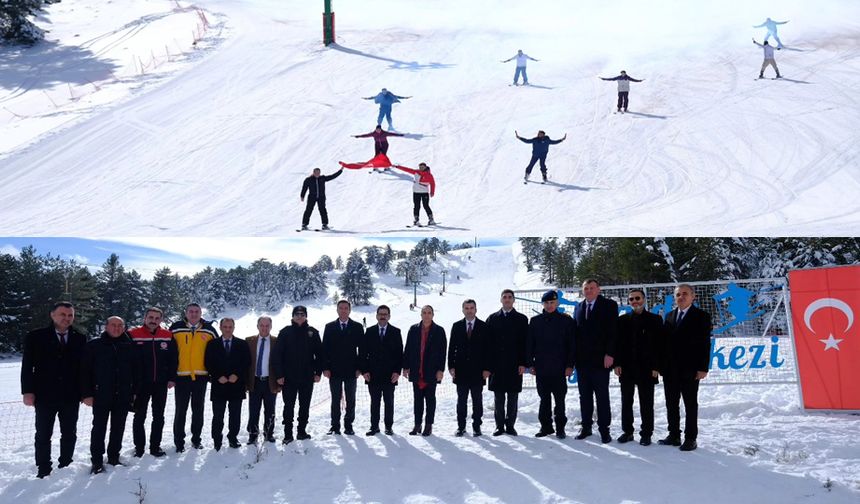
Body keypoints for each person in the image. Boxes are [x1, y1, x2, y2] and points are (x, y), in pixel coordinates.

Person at [20, 302, 87, 478]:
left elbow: (83, 369)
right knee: (43, 433)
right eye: (63, 314)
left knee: (69, 432)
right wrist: (27, 391)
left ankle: (66, 463)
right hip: (44, 395)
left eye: (70, 315)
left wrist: (84, 392)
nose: (67, 318)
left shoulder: (80, 338)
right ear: (52, 315)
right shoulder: (36, 337)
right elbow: (27, 366)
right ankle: (43, 467)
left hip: (71, 395)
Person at [81, 316, 140, 474]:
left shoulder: (129, 345)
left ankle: (114, 456)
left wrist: (133, 392)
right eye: (113, 325)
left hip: (123, 394)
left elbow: (136, 371)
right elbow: (85, 371)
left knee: (118, 427)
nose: (117, 328)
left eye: (120, 325)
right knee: (99, 428)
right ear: (106, 327)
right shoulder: (94, 345)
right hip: (101, 394)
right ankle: (97, 461)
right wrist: (86, 394)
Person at [659, 284, 712, 452]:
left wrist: (703, 368)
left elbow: (705, 344)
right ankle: (674, 434)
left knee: (690, 404)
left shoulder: (701, 316)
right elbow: (665, 344)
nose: (681, 297)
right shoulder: (669, 316)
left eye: (685, 294)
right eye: (678, 294)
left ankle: (690, 438)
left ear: (693, 296)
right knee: (671, 403)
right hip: (670, 369)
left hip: (690, 369)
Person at [615, 289, 663, 446]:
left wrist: (656, 366)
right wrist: (617, 364)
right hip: (627, 368)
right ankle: (627, 432)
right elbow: (618, 345)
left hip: (647, 368)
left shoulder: (655, 319)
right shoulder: (622, 320)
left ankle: (646, 433)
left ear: (644, 299)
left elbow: (659, 346)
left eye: (637, 298)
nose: (634, 301)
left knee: (646, 402)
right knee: (626, 401)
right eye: (631, 299)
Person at [573, 279, 618, 444]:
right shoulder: (578, 307)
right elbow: (576, 334)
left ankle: (604, 429)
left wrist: (610, 353)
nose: (589, 291)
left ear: (598, 289)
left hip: (601, 360)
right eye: (586, 288)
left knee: (602, 396)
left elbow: (613, 331)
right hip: (583, 362)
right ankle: (586, 427)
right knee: (584, 396)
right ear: (582, 290)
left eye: (592, 288)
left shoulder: (609, 305)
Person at [170, 303, 219, 452]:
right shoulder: (176, 328)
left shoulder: (209, 330)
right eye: (191, 311)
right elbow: (168, 352)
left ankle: (196, 440)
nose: (193, 314)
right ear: (186, 313)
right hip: (181, 377)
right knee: (180, 411)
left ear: (200, 313)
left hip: (201, 376)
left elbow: (216, 351)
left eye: (196, 311)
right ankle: (179, 442)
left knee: (198, 410)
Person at [129, 307, 177, 458]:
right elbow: (127, 360)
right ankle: (139, 448)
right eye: (151, 317)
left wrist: (171, 378)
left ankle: (155, 447)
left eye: (157, 318)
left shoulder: (167, 335)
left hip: (160, 384)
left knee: (159, 417)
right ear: (145, 318)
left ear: (161, 320)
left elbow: (173, 359)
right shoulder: (133, 335)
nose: (153, 321)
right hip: (140, 384)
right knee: (139, 417)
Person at [527, 290, 575, 439]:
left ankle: (560, 428)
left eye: (552, 302)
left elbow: (571, 345)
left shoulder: (566, 321)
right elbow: (530, 345)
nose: (549, 305)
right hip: (541, 368)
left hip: (559, 368)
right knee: (544, 399)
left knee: (560, 400)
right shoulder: (535, 321)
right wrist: (530, 364)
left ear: (557, 303)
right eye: (546, 303)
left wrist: (570, 365)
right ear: (543, 304)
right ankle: (546, 427)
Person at [275, 306, 323, 442]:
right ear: (292, 316)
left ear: (306, 316)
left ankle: (301, 431)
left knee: (305, 406)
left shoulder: (313, 333)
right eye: (297, 314)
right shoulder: (285, 332)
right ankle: (288, 434)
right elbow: (277, 355)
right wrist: (279, 375)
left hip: (307, 377)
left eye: (302, 314)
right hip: (288, 378)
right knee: (288, 406)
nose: (300, 316)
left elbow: (320, 355)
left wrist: (318, 372)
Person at [486, 289, 529, 436]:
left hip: (514, 365)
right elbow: (487, 344)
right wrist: (488, 366)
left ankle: (510, 425)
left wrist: (523, 363)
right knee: (498, 397)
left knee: (512, 397)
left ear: (514, 300)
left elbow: (525, 344)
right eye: (505, 297)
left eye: (510, 297)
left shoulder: (522, 319)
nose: (507, 299)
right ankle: (499, 426)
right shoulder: (492, 319)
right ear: (501, 300)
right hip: (497, 365)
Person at [205, 317, 250, 450]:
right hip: (219, 385)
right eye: (225, 327)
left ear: (234, 328)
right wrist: (217, 376)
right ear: (220, 328)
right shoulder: (212, 344)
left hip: (236, 385)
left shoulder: (242, 344)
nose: (228, 329)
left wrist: (237, 375)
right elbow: (208, 363)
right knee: (218, 415)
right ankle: (217, 440)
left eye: (230, 327)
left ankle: (233, 438)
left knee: (235, 415)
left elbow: (246, 362)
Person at [448, 299, 491, 437]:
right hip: (460, 371)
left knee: (477, 400)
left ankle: (477, 426)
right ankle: (461, 426)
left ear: (476, 309)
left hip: (478, 371)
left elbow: (488, 350)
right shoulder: (457, 326)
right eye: (466, 308)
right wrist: (451, 366)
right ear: (463, 310)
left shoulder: (484, 326)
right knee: (461, 400)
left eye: (472, 308)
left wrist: (487, 368)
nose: (469, 310)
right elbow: (451, 348)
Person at [403, 305, 447, 436]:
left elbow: (442, 352)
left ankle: (428, 425)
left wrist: (440, 370)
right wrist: (405, 366)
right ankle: (417, 424)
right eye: (424, 312)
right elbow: (408, 348)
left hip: (431, 371)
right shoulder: (413, 329)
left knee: (430, 399)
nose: (426, 315)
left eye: (429, 313)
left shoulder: (439, 331)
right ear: (420, 314)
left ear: (433, 315)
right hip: (417, 369)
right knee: (417, 400)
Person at [322, 300, 364, 435]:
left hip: (352, 370)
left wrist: (360, 368)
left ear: (350, 310)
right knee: (335, 399)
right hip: (334, 370)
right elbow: (325, 349)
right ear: (337, 310)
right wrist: (326, 368)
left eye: (346, 308)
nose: (344, 310)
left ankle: (348, 425)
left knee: (351, 399)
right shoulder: (329, 327)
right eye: (341, 308)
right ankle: (335, 426)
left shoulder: (357, 327)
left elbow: (362, 350)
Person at [360, 305, 403, 436]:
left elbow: (399, 354)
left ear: (389, 316)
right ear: (376, 316)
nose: (382, 316)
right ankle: (374, 426)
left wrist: (397, 372)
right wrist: (364, 371)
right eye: (380, 314)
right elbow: (363, 353)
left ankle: (388, 427)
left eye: (385, 314)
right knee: (374, 402)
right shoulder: (370, 331)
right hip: (372, 374)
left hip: (390, 375)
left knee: (389, 402)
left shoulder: (396, 332)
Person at [246, 316, 280, 444]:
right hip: (254, 381)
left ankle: (269, 434)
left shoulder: (276, 341)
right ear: (257, 326)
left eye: (267, 326)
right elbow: (246, 363)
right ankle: (253, 435)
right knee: (254, 410)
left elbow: (280, 362)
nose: (264, 328)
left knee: (270, 409)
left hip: (270, 381)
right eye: (262, 325)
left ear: (271, 327)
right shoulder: (249, 341)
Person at [393, 162, 436, 226]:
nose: (421, 168)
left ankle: (431, 219)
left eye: (422, 167)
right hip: (416, 192)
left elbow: (432, 183)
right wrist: (398, 167)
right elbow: (407, 169)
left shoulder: (429, 175)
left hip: (424, 193)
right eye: (420, 167)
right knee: (416, 206)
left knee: (426, 206)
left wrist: (432, 192)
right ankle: (416, 220)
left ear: (425, 167)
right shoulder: (416, 172)